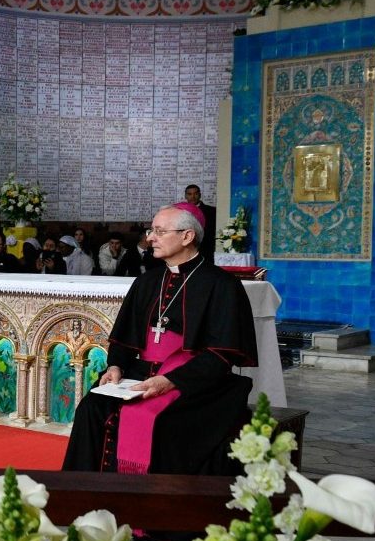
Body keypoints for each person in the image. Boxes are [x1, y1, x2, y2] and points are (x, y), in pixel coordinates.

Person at [62, 203, 258, 477]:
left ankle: (153, 506)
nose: (150, 238)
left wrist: (171, 380)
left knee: (166, 422)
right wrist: (116, 366)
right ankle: (89, 495)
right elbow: (124, 338)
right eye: (151, 230)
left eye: (159, 231)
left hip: (194, 379)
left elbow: (222, 355)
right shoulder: (147, 281)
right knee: (92, 407)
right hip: (140, 373)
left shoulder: (222, 285)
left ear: (187, 236)